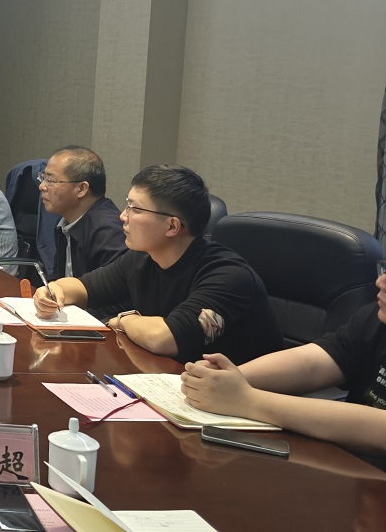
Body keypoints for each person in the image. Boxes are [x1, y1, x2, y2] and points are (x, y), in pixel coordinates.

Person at [33, 164, 281, 364]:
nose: (123, 216)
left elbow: (165, 338)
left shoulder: (227, 276)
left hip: (237, 400)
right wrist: (53, 292)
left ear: (172, 226)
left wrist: (123, 320)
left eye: (135, 209)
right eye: (127, 204)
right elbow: (83, 287)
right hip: (173, 380)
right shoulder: (142, 258)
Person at [181, 273, 386, 468]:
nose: (380, 282)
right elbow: (313, 362)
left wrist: (246, 400)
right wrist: (225, 377)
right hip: (351, 468)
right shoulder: (375, 318)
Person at [40, 146, 126, 278]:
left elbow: (109, 288)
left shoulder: (109, 232)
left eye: (50, 180)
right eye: (43, 178)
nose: (41, 186)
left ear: (81, 189)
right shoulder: (67, 221)